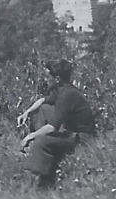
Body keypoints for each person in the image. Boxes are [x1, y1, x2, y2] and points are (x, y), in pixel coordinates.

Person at [17, 59, 96, 188]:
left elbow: (52, 127)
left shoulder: (67, 95)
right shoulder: (62, 91)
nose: (45, 79)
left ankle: (44, 180)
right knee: (44, 108)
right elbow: (43, 100)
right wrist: (27, 112)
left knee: (41, 141)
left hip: (82, 139)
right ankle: (38, 151)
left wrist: (30, 136)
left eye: (48, 77)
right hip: (71, 133)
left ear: (57, 79)